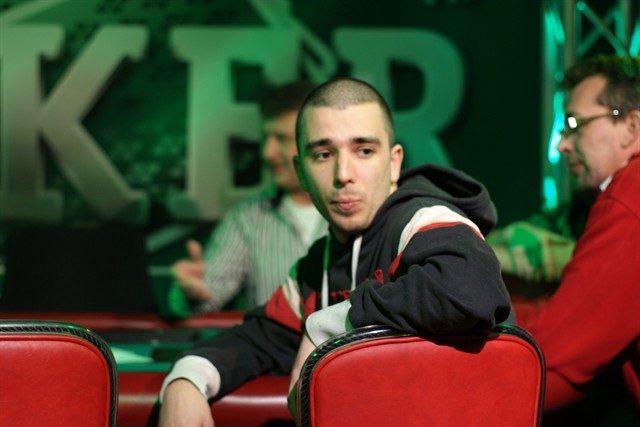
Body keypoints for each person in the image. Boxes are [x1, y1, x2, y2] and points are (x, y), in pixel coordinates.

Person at [158, 77, 512, 426]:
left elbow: (474, 291)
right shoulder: (317, 265)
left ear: (393, 163)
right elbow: (259, 338)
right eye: (323, 154)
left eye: (364, 151)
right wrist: (187, 379)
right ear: (301, 171)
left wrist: (328, 325)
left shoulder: (424, 220)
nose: (343, 174)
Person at [520, 55, 640, 411]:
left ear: (631, 126)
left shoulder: (630, 194)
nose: (562, 144)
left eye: (574, 124)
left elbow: (553, 352)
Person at [170, 81, 327, 315]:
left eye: (282, 138)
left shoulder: (361, 210)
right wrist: (191, 293)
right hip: (272, 341)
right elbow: (206, 298)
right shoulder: (247, 217)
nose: (267, 153)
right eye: (265, 138)